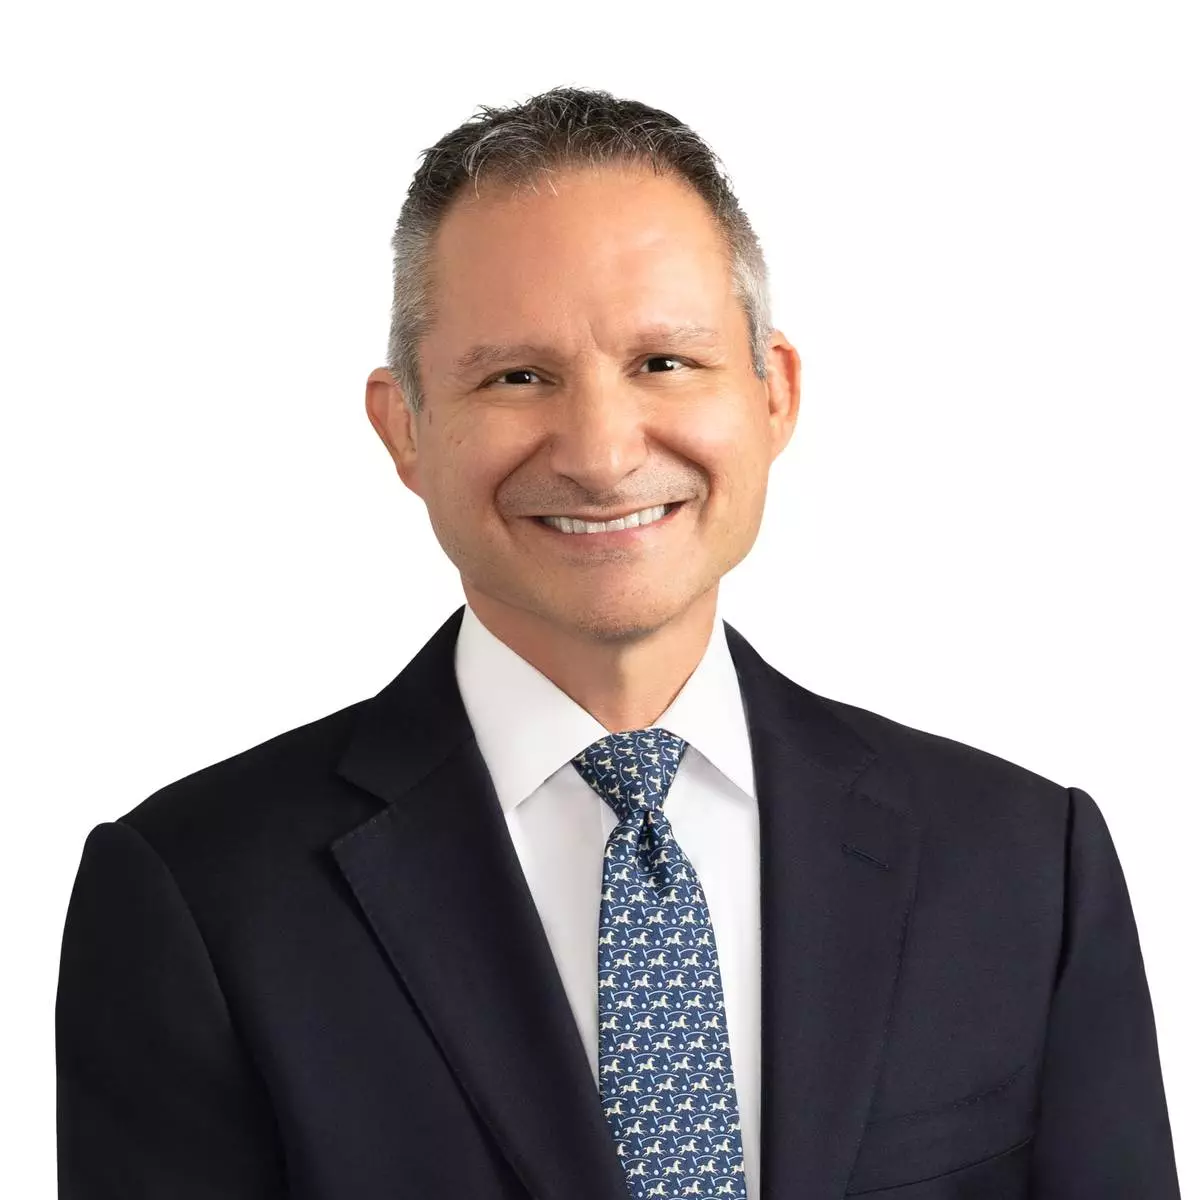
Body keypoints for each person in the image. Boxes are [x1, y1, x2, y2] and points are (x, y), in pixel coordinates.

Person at [55, 86, 1180, 1200]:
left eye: (663, 363)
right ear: (405, 428)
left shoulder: (1026, 864)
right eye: (517, 377)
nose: (600, 454)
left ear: (774, 394)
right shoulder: (200, 898)